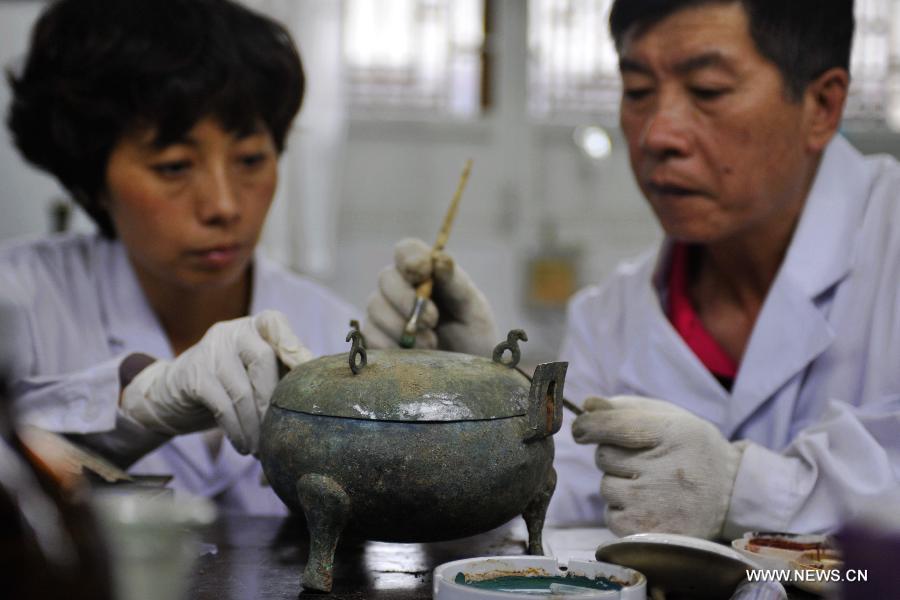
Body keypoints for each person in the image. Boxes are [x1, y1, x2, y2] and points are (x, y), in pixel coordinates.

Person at [365, 0, 900, 539]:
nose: (657, 135)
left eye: (708, 90)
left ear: (822, 106)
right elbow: (560, 497)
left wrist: (745, 490)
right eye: (639, 92)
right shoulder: (611, 316)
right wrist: (481, 401)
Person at [1, 0, 358, 514]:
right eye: (173, 166)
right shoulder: (18, 300)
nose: (224, 205)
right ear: (92, 179)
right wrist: (136, 403)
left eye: (251, 159)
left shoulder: (332, 330)